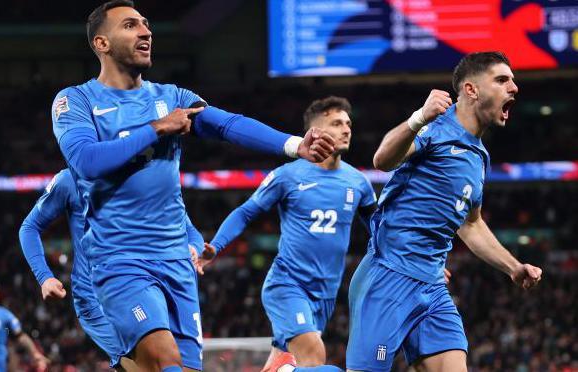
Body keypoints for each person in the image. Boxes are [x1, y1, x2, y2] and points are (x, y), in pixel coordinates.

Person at [51, 1, 335, 371]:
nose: (145, 32)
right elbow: (87, 162)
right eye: (131, 25)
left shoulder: (172, 97)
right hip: (120, 260)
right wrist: (156, 129)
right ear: (101, 43)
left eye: (147, 25)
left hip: (176, 263)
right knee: (163, 358)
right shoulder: (76, 100)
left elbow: (227, 124)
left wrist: (295, 145)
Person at [346, 51, 543, 372]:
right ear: (471, 90)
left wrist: (513, 267)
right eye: (502, 79)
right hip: (389, 277)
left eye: (513, 80)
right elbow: (382, 160)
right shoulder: (436, 128)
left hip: (433, 287)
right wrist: (418, 118)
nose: (514, 87)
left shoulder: (478, 157)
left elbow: (471, 225)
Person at [198, 97, 375, 372]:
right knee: (315, 357)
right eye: (337, 123)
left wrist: (417, 261)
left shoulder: (359, 182)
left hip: (325, 295)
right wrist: (216, 246)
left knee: (282, 364)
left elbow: (380, 231)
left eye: (348, 124)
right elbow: (246, 212)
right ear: (316, 132)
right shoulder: (288, 176)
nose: (346, 129)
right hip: (288, 285)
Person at [19, 168, 204, 371]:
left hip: (151, 286)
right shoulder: (72, 178)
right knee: (160, 361)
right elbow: (29, 227)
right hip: (97, 296)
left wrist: (193, 248)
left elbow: (192, 233)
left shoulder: (152, 176)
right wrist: (44, 277)